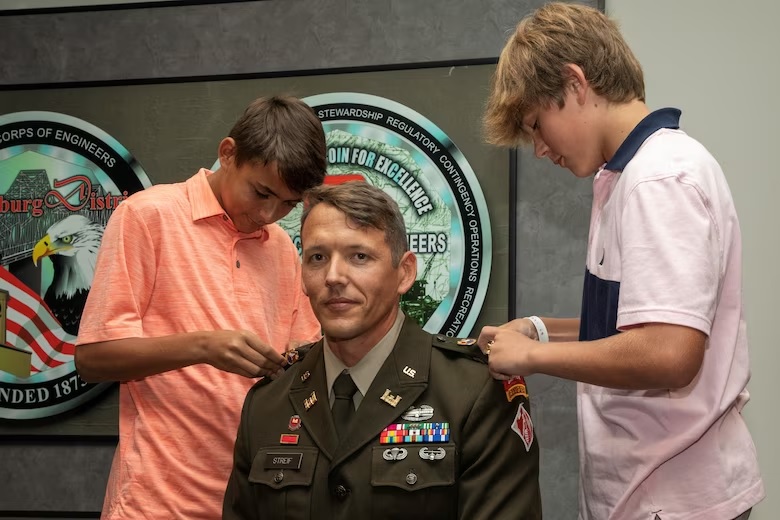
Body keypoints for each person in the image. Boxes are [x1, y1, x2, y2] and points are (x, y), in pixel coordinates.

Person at [479, 3, 764, 520]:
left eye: (537, 125)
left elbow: (669, 352)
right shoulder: (624, 176)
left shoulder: (659, 178)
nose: (539, 149)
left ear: (576, 84)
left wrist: (532, 357)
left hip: (672, 501)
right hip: (647, 493)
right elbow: (630, 326)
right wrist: (540, 330)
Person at [223, 181, 542, 519]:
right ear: (302, 275)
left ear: (404, 273)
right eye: (317, 257)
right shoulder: (268, 402)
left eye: (359, 256)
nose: (333, 276)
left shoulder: (474, 392)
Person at [74, 95, 326, 519]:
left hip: (256, 500)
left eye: (287, 203)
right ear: (227, 154)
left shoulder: (283, 248)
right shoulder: (147, 216)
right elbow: (93, 358)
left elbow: (302, 362)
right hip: (155, 503)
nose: (269, 213)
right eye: (261, 192)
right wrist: (204, 347)